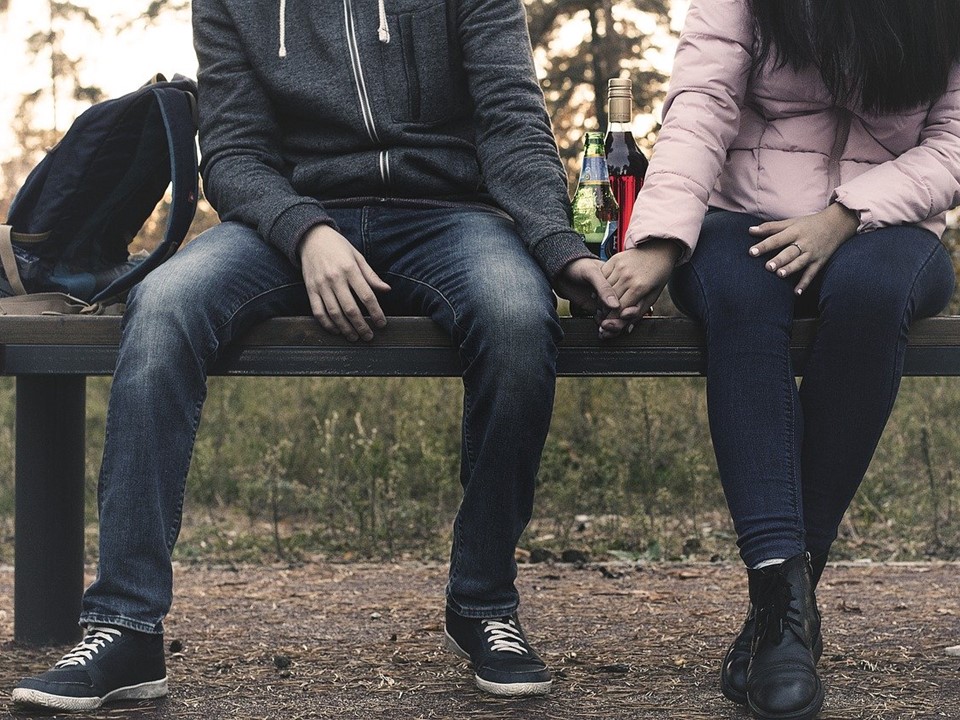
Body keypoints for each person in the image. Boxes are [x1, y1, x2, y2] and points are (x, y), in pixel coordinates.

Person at [11, 0, 620, 710]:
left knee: (517, 315)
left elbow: (513, 122)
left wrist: (559, 249)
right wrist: (305, 232)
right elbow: (233, 153)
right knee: (166, 302)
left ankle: (483, 604)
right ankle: (126, 626)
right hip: (289, 223)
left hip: (451, 216)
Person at [599, 1, 960, 719]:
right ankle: (783, 606)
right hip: (744, 216)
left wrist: (845, 214)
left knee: (874, 294)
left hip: (884, 225)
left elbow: (952, 142)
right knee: (740, 299)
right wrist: (660, 242)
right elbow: (701, 108)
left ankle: (780, 616)